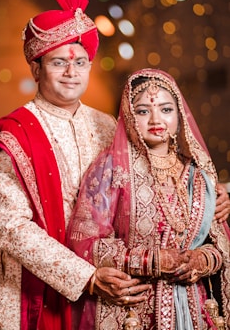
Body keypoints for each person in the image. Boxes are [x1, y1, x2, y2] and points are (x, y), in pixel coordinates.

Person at [0, 0, 150, 330]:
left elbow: (147, 185)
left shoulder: (108, 126)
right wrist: (86, 277)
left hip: (110, 283)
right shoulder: (16, 134)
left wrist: (211, 195)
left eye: (80, 62)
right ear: (36, 67)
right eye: (58, 62)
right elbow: (11, 228)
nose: (71, 72)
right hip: (38, 290)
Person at [67, 68, 230, 330]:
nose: (157, 119)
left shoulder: (197, 175)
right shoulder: (111, 169)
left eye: (166, 109)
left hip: (193, 309)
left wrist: (203, 260)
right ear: (130, 115)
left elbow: (220, 245)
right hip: (131, 310)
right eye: (143, 111)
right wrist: (152, 260)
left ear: (180, 115)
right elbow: (86, 245)